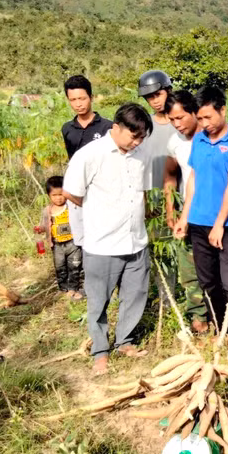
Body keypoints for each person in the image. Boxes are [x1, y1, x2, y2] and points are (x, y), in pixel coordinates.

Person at [62, 103, 154, 375]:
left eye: (141, 137)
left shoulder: (141, 154)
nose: (137, 142)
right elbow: (71, 192)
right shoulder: (90, 155)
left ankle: (124, 341)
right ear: (116, 127)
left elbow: (144, 192)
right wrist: (98, 211)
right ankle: (100, 352)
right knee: (98, 300)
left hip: (136, 239)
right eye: (133, 136)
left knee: (135, 294)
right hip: (103, 243)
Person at [173, 86, 228, 364]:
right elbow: (193, 179)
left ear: (223, 110)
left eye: (208, 117)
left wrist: (220, 223)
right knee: (208, 282)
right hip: (198, 222)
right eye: (200, 118)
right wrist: (185, 217)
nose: (204, 123)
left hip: (227, 225)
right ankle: (222, 329)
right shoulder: (199, 140)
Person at [162, 90, 209, 334]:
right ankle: (198, 317)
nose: (177, 124)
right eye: (172, 119)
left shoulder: (213, 135)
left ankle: (221, 313)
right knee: (189, 267)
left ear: (194, 112)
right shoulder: (175, 142)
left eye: (180, 117)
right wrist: (171, 208)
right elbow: (170, 174)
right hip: (185, 212)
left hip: (213, 210)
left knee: (217, 266)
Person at [60, 75, 112, 250]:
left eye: (82, 98)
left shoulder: (108, 127)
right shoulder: (67, 129)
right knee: (81, 237)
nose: (78, 104)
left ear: (91, 97)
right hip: (77, 190)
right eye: (73, 100)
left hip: (102, 189)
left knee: (104, 233)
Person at [38, 175, 83, 300]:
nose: (58, 198)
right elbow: (44, 225)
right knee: (60, 267)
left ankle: (74, 288)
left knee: (75, 266)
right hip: (57, 245)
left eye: (61, 194)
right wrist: (40, 229)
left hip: (73, 243)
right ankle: (63, 289)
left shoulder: (72, 207)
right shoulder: (47, 211)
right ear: (49, 195)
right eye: (54, 195)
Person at [137, 69, 175, 194]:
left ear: (169, 91)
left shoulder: (183, 124)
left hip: (181, 195)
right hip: (153, 195)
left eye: (158, 94)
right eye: (150, 97)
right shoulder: (144, 125)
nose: (155, 101)